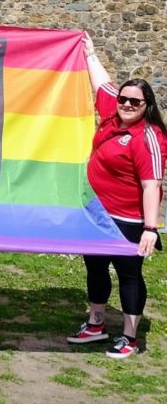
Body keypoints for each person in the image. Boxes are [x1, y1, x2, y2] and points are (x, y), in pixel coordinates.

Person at [67, 33, 167, 359]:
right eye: (124, 99)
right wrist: (90, 54)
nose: (126, 104)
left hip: (128, 220)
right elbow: (103, 85)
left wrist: (151, 229)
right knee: (95, 268)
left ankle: (129, 337)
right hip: (96, 213)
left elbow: (152, 184)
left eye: (135, 102)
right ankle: (96, 324)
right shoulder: (113, 112)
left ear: (146, 106)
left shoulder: (148, 137)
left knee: (128, 275)